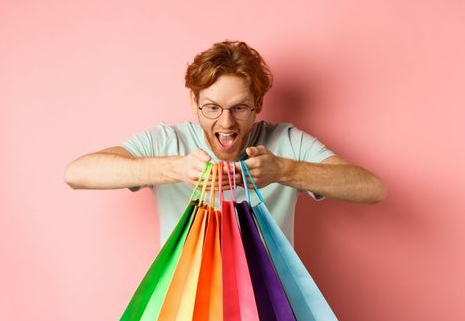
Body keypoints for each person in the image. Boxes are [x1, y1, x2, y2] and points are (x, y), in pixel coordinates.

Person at [63, 40, 386, 245]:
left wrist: (284, 170)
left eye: (240, 108)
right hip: (184, 314)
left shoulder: (285, 141)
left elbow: (371, 188)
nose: (226, 123)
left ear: (258, 104)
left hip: (270, 315)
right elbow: (78, 173)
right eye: (212, 108)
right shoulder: (167, 140)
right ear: (195, 103)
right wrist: (175, 168)